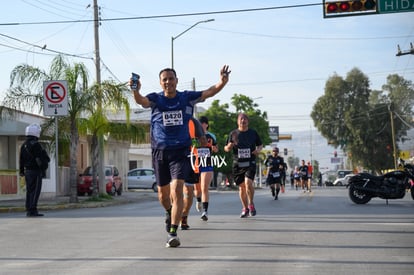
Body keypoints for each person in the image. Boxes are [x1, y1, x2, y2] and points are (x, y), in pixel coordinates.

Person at [131, 65, 231, 248]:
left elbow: (209, 92)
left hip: (181, 151)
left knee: (177, 189)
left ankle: (173, 233)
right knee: (163, 195)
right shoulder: (156, 99)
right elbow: (142, 101)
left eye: (171, 78)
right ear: (161, 83)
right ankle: (170, 212)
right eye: (165, 79)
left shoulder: (186, 98)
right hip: (160, 151)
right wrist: (135, 90)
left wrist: (222, 82)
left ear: (177, 80)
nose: (168, 82)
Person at [224, 113, 263, 218]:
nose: (243, 121)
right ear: (238, 121)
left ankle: (251, 204)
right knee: (241, 188)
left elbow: (260, 145)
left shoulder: (253, 133)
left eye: (245, 119)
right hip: (238, 163)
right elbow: (226, 149)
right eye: (241, 119)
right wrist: (229, 146)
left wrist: (258, 150)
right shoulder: (233, 133)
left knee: (248, 183)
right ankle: (245, 208)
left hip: (250, 161)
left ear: (248, 122)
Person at [19, 124, 50, 217]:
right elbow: (39, 159)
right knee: (36, 191)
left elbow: (21, 160)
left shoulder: (23, 145)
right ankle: (33, 210)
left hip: (27, 172)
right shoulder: (36, 145)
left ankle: (29, 209)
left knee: (29, 191)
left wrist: (21, 171)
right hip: (36, 171)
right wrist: (43, 169)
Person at [181, 117, 207, 230]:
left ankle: (184, 216)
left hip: (191, 161)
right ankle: (171, 212)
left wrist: (197, 141)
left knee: (188, 192)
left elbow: (203, 142)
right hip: (173, 159)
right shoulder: (167, 117)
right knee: (174, 189)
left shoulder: (194, 122)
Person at [193, 116, 218, 221]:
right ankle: (198, 200)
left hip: (207, 164)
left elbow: (216, 149)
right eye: (199, 123)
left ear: (206, 124)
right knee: (197, 189)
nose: (201, 125)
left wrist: (214, 148)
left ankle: (205, 211)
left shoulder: (211, 136)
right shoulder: (193, 136)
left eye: (203, 123)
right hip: (195, 165)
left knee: (204, 187)